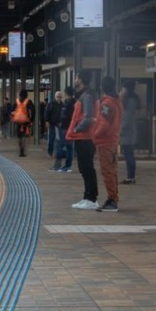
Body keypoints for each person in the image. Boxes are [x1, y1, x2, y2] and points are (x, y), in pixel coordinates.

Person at [66, 70, 99, 209]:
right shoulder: (86, 95)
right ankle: (87, 197)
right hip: (84, 137)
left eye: (76, 77)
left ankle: (91, 198)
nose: (74, 80)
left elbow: (88, 117)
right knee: (85, 168)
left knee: (87, 168)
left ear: (80, 79)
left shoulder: (87, 96)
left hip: (85, 137)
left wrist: (76, 129)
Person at [93, 77, 123, 213]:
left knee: (107, 172)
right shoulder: (117, 102)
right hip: (113, 140)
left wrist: (95, 135)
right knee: (113, 171)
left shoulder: (107, 104)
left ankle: (112, 200)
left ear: (102, 87)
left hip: (105, 142)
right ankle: (113, 198)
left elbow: (104, 124)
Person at [120, 80, 141, 184]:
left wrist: (120, 128)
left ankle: (131, 177)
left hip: (127, 132)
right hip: (129, 131)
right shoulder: (132, 100)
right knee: (129, 154)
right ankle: (130, 176)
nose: (121, 91)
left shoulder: (129, 101)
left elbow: (127, 118)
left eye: (123, 88)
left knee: (129, 155)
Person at [51, 86, 75, 172]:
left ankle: (57, 166)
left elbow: (66, 116)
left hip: (65, 128)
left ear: (66, 93)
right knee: (69, 147)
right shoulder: (74, 102)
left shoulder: (68, 104)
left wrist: (61, 124)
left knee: (60, 146)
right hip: (71, 128)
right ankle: (67, 166)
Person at [11, 89, 35, 157]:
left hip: (18, 121)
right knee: (24, 136)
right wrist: (31, 120)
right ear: (26, 95)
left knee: (20, 136)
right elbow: (33, 111)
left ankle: (20, 150)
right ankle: (23, 150)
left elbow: (11, 111)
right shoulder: (29, 101)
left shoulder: (17, 101)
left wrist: (14, 118)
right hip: (26, 121)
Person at [44, 91, 63, 158]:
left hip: (60, 124)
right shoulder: (51, 104)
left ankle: (59, 152)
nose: (59, 98)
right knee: (51, 138)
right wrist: (47, 121)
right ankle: (50, 152)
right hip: (52, 124)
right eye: (58, 97)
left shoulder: (62, 105)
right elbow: (46, 113)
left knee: (60, 139)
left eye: (60, 97)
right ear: (55, 97)